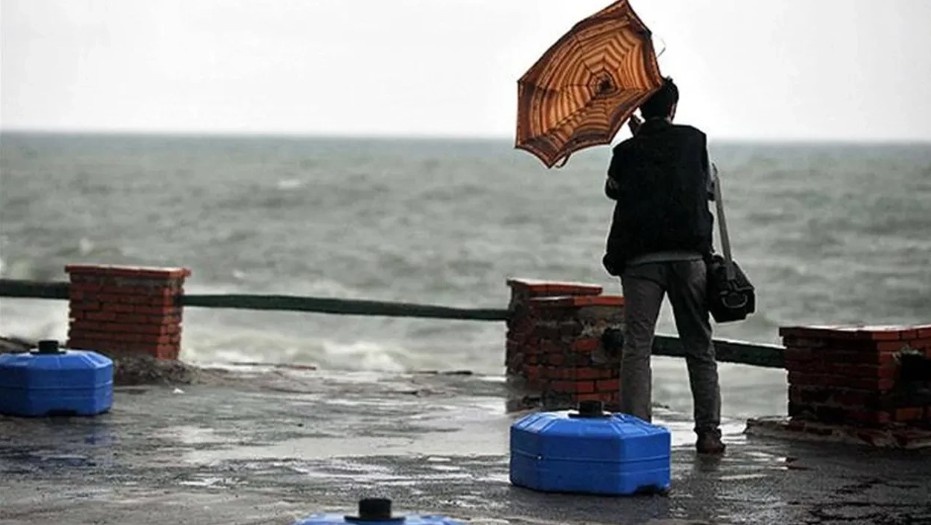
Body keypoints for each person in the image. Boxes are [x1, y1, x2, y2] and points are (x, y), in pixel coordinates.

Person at [602, 77, 725, 455]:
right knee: (699, 346)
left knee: (637, 347)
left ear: (639, 109)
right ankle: (708, 434)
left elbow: (613, 190)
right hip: (689, 258)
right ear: (673, 108)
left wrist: (638, 143)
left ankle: (638, 432)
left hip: (640, 261)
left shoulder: (626, 151)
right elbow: (706, 189)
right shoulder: (694, 141)